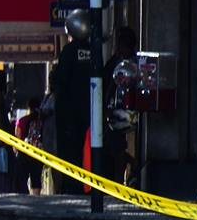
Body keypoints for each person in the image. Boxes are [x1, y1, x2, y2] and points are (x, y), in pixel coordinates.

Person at [49, 13, 97, 192]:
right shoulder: (94, 50)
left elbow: (61, 80)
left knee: (70, 153)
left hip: (69, 114)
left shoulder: (68, 52)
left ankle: (72, 187)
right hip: (91, 111)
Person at [102, 26, 140, 186]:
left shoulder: (131, 63)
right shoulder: (116, 62)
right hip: (115, 111)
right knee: (113, 148)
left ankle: (121, 179)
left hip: (125, 112)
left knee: (117, 149)